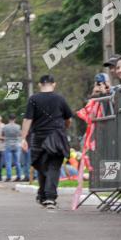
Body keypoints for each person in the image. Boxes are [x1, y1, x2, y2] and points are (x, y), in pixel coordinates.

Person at [21, 74, 73, 208]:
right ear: (54, 84)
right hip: (56, 137)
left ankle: (44, 195)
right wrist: (64, 128)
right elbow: (68, 119)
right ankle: (48, 196)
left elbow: (27, 119)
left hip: (38, 138)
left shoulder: (33, 99)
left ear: (39, 85)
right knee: (53, 167)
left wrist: (23, 138)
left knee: (42, 166)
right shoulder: (60, 99)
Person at [2, 113, 24, 182]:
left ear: (9, 119)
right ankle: (19, 176)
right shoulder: (18, 126)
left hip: (8, 144)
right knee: (17, 162)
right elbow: (20, 134)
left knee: (8, 162)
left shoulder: (5, 127)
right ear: (15, 119)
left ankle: (9, 177)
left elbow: (3, 134)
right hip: (16, 144)